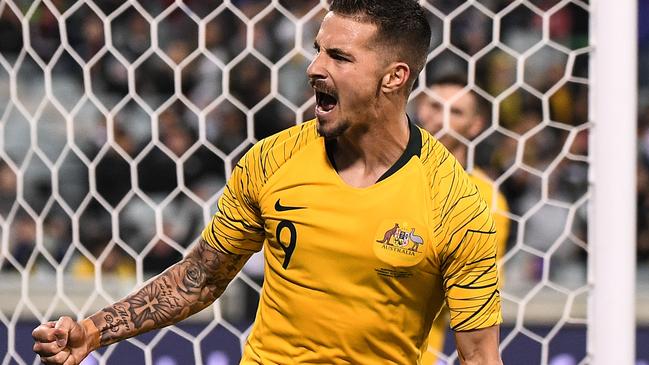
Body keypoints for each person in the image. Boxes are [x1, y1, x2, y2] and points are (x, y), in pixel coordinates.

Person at [32, 1, 503, 364]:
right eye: (318, 49)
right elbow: (200, 277)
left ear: (393, 77)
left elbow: (479, 355)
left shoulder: (457, 203)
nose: (315, 68)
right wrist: (93, 331)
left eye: (339, 56)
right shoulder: (272, 159)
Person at [415, 74, 510, 364]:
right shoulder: (382, 174)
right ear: (419, 108)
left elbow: (472, 293)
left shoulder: (486, 197)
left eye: (455, 111)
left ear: (476, 125)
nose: (440, 118)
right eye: (434, 106)